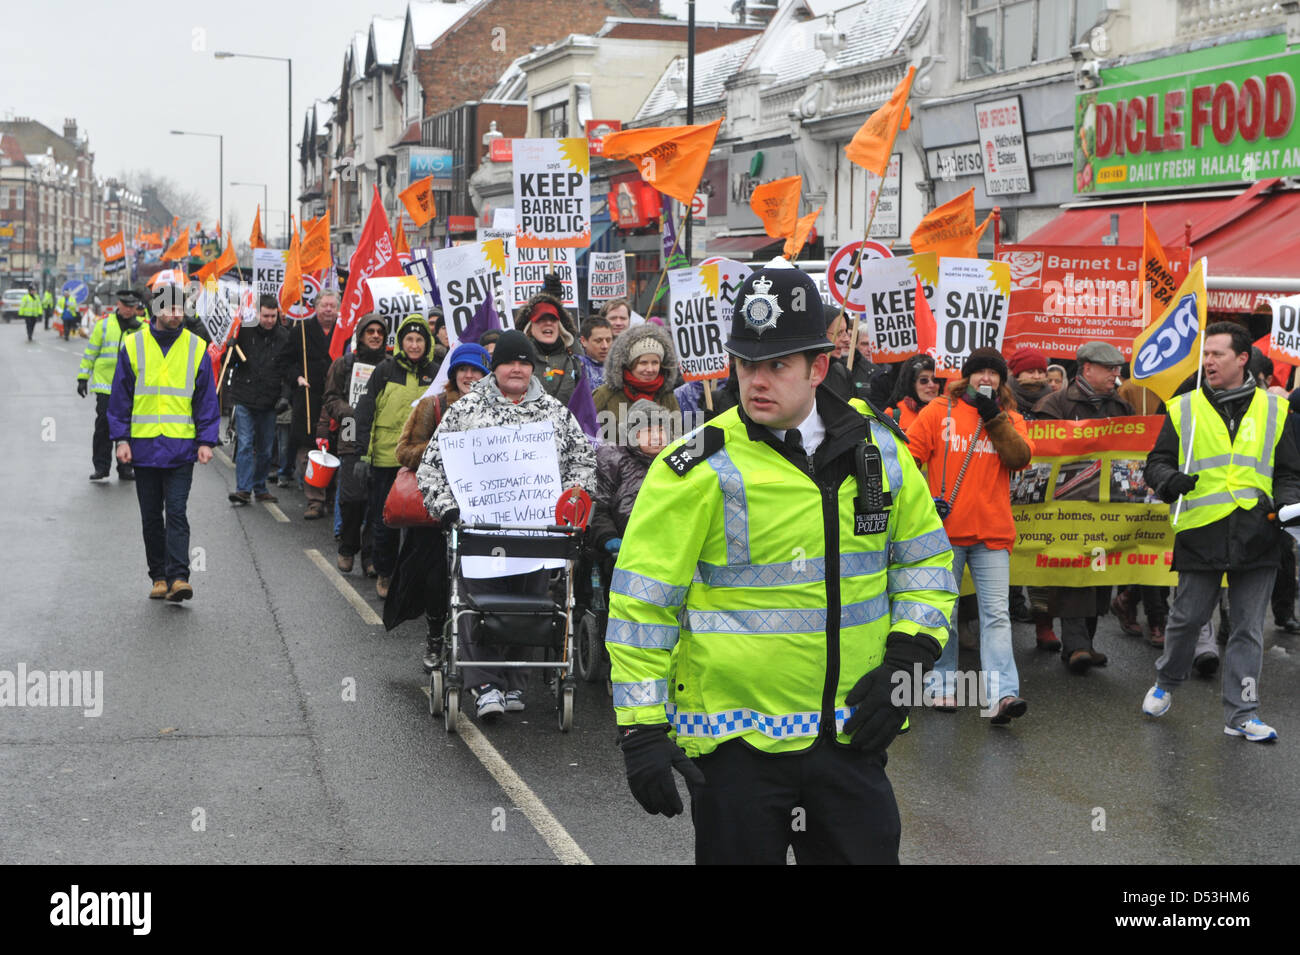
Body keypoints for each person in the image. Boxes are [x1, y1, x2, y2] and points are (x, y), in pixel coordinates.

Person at [607, 260, 956, 864]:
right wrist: (640, 728)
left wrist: (908, 661)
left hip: (850, 739)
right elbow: (642, 602)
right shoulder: (696, 466)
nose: (756, 381)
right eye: (746, 363)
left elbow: (924, 567)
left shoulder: (878, 450)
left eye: (777, 365)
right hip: (737, 754)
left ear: (818, 367)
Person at [416, 330, 595, 720]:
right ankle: (483, 684)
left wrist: (575, 498)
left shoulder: (554, 412)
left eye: (524, 362)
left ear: (532, 367)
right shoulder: (465, 411)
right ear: (495, 368)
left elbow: (583, 462)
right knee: (477, 606)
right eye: (509, 362)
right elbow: (432, 468)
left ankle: (514, 682)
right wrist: (447, 509)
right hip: (481, 531)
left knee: (530, 609)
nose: (517, 368)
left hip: (537, 533)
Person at [1142, 322, 1300, 742]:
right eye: (1205, 355)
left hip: (1259, 531)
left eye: (1217, 354)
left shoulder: (1276, 409)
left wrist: (1284, 503)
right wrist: (1167, 479)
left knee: (1249, 629)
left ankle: (1242, 715)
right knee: (1187, 619)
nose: (1208, 361)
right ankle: (1167, 680)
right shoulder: (1183, 407)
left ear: (1242, 359)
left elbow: (1288, 472)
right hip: (1202, 530)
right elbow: (1155, 463)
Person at [905, 347, 1034, 723]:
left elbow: (1019, 457)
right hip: (944, 533)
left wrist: (994, 418)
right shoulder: (937, 412)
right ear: (967, 376)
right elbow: (907, 461)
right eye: (980, 372)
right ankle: (941, 686)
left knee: (996, 615)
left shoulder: (1010, 418)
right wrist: (925, 503)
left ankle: (1002, 695)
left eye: (994, 374)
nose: (987, 379)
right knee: (944, 612)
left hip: (992, 534)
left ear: (1002, 381)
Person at [107, 281, 219, 601]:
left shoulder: (197, 346)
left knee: (178, 512)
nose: (175, 313)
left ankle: (179, 577)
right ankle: (158, 576)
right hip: (143, 448)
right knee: (152, 516)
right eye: (169, 307)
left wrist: (206, 441)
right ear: (156, 309)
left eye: (180, 307)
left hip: (181, 448)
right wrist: (121, 440)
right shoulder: (132, 345)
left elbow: (206, 401)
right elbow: (120, 400)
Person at [1033, 341, 1133, 670]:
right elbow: (1043, 456)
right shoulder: (1054, 404)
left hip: (1106, 507)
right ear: (1087, 369)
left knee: (1100, 576)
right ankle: (1076, 645)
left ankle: (1084, 643)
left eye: (1118, 368)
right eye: (1109, 369)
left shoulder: (1120, 407)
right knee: (1073, 573)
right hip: (1066, 509)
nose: (1116, 374)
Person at [392, 341, 490, 672]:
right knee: (436, 579)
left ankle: (477, 644)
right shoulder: (431, 406)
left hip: (481, 509)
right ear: (453, 373)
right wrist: (445, 451)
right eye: (463, 369)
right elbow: (403, 452)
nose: (470, 375)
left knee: (477, 579)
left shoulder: (498, 409)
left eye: (477, 370)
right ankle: (435, 638)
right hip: (436, 511)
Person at [354, 314, 438, 599]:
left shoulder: (436, 373)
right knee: (385, 521)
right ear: (401, 342)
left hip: (423, 462)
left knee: (421, 525)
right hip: (385, 461)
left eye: (419, 340)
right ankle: (385, 573)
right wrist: (361, 456)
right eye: (409, 339)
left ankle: (414, 579)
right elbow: (364, 414)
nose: (414, 345)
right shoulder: (384, 371)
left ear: (426, 343)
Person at [321, 313, 389, 576]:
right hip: (350, 432)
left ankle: (370, 556)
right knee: (351, 498)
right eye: (369, 331)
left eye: (379, 332)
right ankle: (348, 545)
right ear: (360, 335)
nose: (374, 335)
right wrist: (347, 411)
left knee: (376, 501)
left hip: (379, 435)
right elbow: (330, 397)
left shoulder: (390, 366)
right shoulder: (344, 364)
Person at [279, 289, 339, 519]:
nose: (328, 310)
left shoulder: (344, 331)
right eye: (324, 305)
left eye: (332, 306)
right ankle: (315, 500)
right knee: (308, 450)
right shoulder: (301, 331)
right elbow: (284, 361)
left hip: (336, 399)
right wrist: (297, 377)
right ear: (316, 306)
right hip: (308, 398)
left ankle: (333, 496)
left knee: (337, 447)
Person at [226, 295, 290, 505]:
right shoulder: (244, 330)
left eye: (273, 316)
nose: (269, 320)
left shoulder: (283, 336)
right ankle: (243, 489)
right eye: (265, 316)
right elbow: (232, 362)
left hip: (269, 400)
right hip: (245, 395)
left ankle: (260, 487)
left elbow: (288, 370)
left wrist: (284, 397)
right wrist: (231, 347)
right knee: (245, 443)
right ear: (258, 313)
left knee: (264, 447)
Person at [78, 288, 143, 481]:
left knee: (129, 428)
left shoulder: (142, 328)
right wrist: (83, 377)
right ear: (118, 305)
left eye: (133, 307)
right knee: (104, 428)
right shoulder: (103, 325)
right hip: (105, 386)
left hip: (130, 387)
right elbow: (91, 352)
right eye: (126, 306)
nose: (129, 310)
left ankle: (125, 467)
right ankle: (101, 467)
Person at [592, 322, 681, 426]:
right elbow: (586, 431)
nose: (650, 369)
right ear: (629, 364)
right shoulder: (605, 395)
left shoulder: (667, 396)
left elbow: (677, 435)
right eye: (643, 362)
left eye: (655, 362)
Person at [515, 290, 587, 406]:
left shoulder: (573, 360)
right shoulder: (518, 360)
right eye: (541, 319)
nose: (548, 323)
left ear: (560, 327)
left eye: (553, 319)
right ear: (529, 327)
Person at [884, 354, 940, 430]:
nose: (931, 385)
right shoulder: (892, 416)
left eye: (936, 380)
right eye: (924, 380)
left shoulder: (948, 415)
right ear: (911, 384)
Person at [578, 315, 613, 390]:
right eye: (598, 341)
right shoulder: (576, 366)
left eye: (608, 340)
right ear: (583, 341)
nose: (605, 346)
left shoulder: (619, 367)